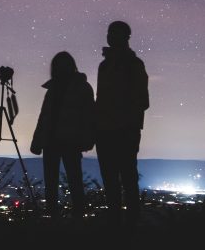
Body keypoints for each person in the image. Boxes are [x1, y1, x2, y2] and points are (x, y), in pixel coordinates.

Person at [95, 20, 149, 226]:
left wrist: (119, 114)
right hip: (107, 130)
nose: (110, 37)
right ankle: (116, 223)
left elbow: (142, 101)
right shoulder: (105, 65)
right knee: (111, 179)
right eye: (110, 33)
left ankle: (130, 224)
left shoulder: (133, 64)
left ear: (125, 38)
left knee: (126, 178)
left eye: (114, 34)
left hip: (124, 130)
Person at [30, 51, 95, 220]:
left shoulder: (81, 87)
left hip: (70, 141)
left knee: (74, 180)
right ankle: (54, 216)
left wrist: (87, 139)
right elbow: (44, 116)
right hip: (51, 141)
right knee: (52, 182)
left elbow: (89, 115)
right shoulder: (53, 89)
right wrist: (37, 140)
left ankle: (77, 217)